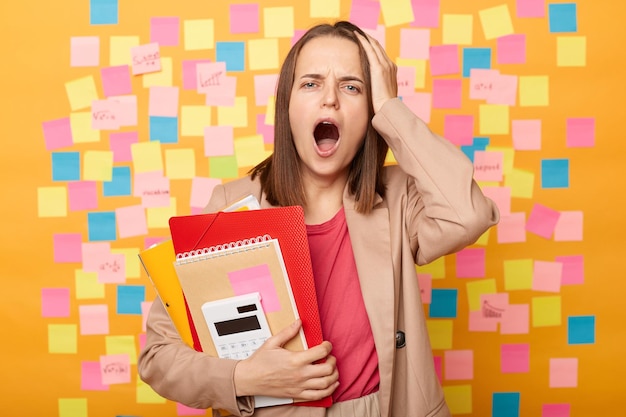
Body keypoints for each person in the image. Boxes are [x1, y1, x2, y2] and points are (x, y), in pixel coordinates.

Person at [138, 21, 499, 417]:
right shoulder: (233, 204)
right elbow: (158, 356)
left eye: (352, 86)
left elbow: (468, 215)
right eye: (310, 84)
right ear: (287, 106)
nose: (330, 100)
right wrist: (244, 378)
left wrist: (392, 110)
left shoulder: (399, 196)